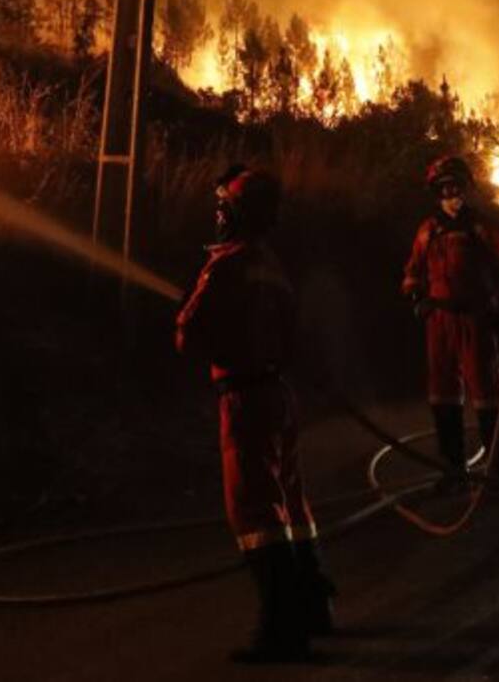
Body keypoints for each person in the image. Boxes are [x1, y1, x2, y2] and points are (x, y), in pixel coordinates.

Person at [176, 165, 334, 664]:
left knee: (254, 513)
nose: (217, 213)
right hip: (278, 396)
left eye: (222, 205)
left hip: (245, 401)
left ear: (234, 212)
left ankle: (282, 632)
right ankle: (312, 607)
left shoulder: (226, 266)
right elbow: (293, 333)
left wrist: (188, 318)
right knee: (290, 503)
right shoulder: (271, 263)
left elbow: (190, 333)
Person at [401, 155, 499, 488]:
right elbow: (412, 271)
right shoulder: (428, 230)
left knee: (487, 394)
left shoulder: (478, 226)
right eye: (446, 188)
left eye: (457, 187)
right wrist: (416, 296)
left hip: (474, 318)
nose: (452, 193)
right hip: (438, 321)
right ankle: (453, 469)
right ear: (436, 192)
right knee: (442, 395)